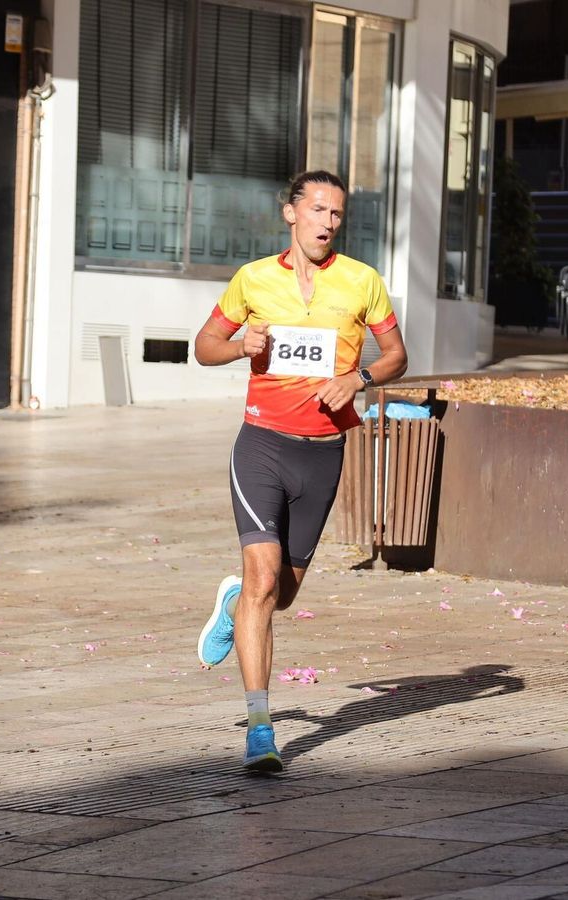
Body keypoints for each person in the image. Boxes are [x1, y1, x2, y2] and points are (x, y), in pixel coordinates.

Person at [192, 170, 408, 772]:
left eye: (337, 214)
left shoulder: (363, 282)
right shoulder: (253, 279)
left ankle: (235, 598)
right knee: (265, 582)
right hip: (261, 444)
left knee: (279, 595)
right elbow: (204, 347)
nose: (328, 222)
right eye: (318, 210)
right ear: (290, 213)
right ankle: (260, 729)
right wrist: (242, 347)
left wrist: (357, 379)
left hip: (323, 453)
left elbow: (396, 356)